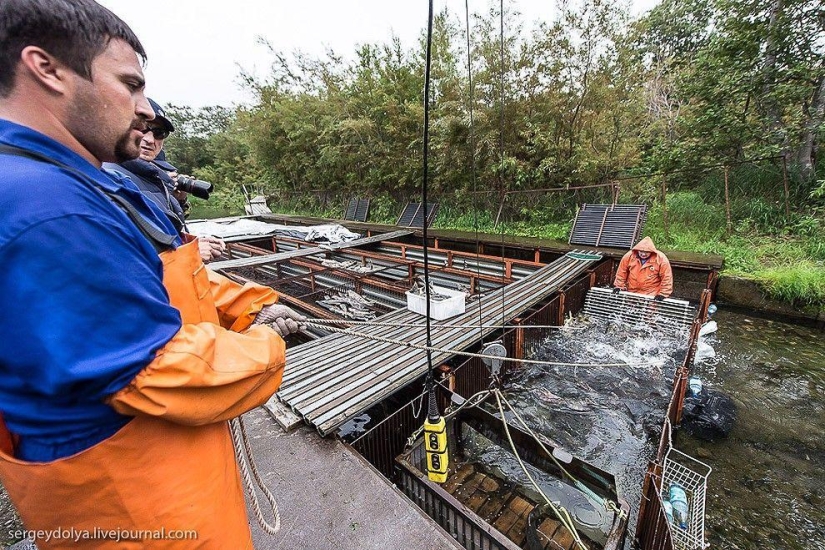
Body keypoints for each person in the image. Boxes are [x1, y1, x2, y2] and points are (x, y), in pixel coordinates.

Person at [0, 1, 304, 548]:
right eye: (130, 84)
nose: (144, 111)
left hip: (169, 467)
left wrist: (252, 301)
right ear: (47, 68)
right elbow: (158, 370)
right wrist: (266, 344)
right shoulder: (48, 207)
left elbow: (164, 278)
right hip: (135, 498)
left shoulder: (84, 183)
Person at [104, 97, 226, 262]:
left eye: (159, 133)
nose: (150, 139)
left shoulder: (151, 176)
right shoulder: (110, 180)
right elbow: (120, 257)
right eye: (140, 128)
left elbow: (161, 231)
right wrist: (190, 253)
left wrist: (179, 202)